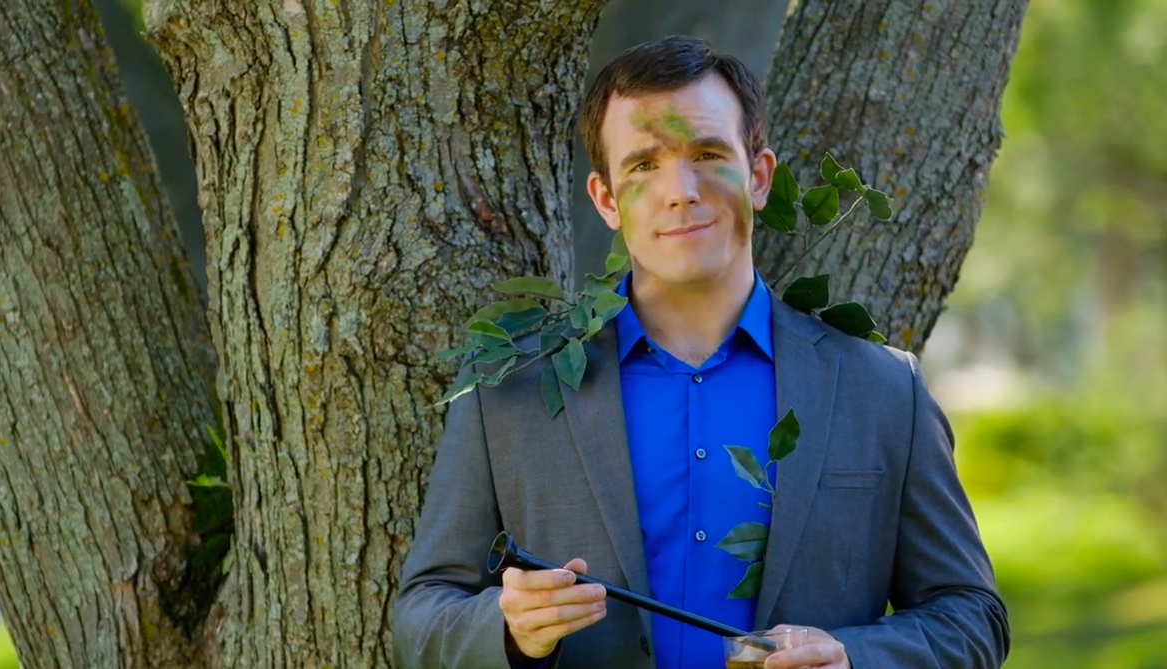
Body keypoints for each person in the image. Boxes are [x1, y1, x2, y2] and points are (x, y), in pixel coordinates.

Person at [392, 35, 1009, 669]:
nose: (679, 190)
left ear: (758, 177)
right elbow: (421, 614)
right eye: (643, 166)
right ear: (606, 200)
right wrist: (508, 629)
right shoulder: (510, 393)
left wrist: (853, 657)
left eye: (708, 153)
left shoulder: (882, 389)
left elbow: (972, 617)